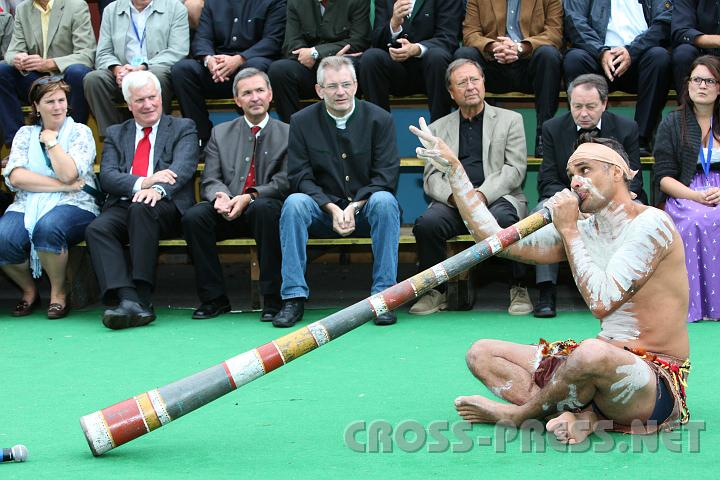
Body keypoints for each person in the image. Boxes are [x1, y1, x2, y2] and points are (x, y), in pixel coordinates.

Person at [411, 121, 691, 442]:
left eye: (585, 170)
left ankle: (522, 415)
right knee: (481, 354)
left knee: (590, 353)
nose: (575, 182)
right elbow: (496, 240)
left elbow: (602, 302)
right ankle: (580, 414)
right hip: (596, 371)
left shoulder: (651, 224)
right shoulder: (584, 229)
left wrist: (569, 230)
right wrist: (456, 173)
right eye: (571, 174)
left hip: (651, 382)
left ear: (617, 173)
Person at [272, 56, 401, 328]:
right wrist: (330, 207)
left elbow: (386, 175)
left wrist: (354, 206)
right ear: (319, 90)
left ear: (356, 85)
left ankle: (384, 297)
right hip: (322, 211)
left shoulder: (381, 119)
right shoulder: (301, 121)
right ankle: (293, 297)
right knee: (294, 203)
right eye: (332, 86)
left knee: (385, 201)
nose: (340, 92)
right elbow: (299, 176)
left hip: (365, 209)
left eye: (345, 84)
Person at [410, 59, 532, 316]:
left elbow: (515, 169)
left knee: (505, 221)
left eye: (475, 80)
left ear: (484, 83)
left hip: (497, 196)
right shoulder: (437, 128)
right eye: (462, 83)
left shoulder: (511, 120)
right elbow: (431, 178)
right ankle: (435, 291)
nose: (470, 87)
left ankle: (519, 287)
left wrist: (480, 195)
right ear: (451, 93)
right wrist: (458, 198)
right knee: (427, 225)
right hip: (454, 201)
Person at [84, 71, 199, 330]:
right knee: (97, 228)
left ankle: (143, 297)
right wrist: (144, 182)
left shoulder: (183, 127)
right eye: (140, 100)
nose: (147, 105)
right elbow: (109, 177)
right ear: (129, 104)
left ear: (161, 97)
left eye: (152, 97)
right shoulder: (116, 133)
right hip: (125, 202)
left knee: (141, 208)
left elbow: (183, 168)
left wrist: (156, 189)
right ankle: (128, 298)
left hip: (166, 206)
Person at [533, 73, 645, 317]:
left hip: (611, 198)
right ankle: (545, 290)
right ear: (569, 104)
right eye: (577, 106)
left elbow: (634, 180)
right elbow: (548, 180)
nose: (583, 113)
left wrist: (601, 203)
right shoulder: (552, 128)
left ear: (604, 104)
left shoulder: (627, 128)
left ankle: (631, 289)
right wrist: (576, 205)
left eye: (591, 107)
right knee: (542, 209)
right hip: (570, 197)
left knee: (640, 212)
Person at [182, 68, 289, 321]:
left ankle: (273, 300)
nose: (255, 98)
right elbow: (210, 178)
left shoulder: (289, 133)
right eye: (247, 93)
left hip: (263, 211)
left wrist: (251, 196)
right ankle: (214, 299)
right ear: (237, 101)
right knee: (194, 217)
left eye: (260, 91)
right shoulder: (220, 133)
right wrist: (220, 196)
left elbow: (286, 180)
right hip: (227, 208)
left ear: (270, 95)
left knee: (265, 210)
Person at [0, 77, 99, 318]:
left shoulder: (80, 132)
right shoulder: (24, 134)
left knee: (48, 227)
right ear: (36, 106)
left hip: (76, 203)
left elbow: (69, 173)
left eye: (61, 100)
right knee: (3, 238)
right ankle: (29, 290)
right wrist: (63, 187)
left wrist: (52, 142)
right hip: (28, 202)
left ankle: (58, 293)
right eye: (50, 101)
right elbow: (17, 178)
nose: (57, 107)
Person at [654, 55, 720, 323]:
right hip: (685, 191)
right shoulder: (672, 122)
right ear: (688, 85)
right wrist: (694, 196)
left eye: (709, 80)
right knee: (695, 220)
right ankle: (694, 305)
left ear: (719, 87)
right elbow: (663, 177)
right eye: (696, 80)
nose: (702, 86)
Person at [454, 0, 563, 157]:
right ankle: (469, 135)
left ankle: (544, 136)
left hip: (530, 66)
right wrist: (494, 47)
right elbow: (470, 34)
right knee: (464, 56)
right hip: (493, 65)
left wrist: (520, 47)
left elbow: (555, 34)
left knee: (549, 55)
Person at [563, 0, 672, 156]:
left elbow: (664, 21)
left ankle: (641, 138)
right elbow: (574, 21)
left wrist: (632, 51)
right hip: (598, 58)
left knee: (659, 57)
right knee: (574, 59)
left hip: (639, 57)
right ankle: (589, 136)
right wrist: (601, 52)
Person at [171, 0, 286, 147]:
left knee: (252, 71)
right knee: (182, 70)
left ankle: (255, 137)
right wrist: (208, 59)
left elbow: (272, 41)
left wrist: (240, 59)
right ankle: (201, 138)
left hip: (252, 61)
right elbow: (202, 37)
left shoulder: (273, 2)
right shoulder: (213, 2)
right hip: (218, 69)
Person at [83, 0, 189, 137]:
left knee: (157, 76)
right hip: (122, 71)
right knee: (93, 79)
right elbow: (103, 52)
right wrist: (117, 69)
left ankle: (157, 136)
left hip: (154, 67)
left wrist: (142, 67)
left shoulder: (175, 7)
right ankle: (113, 138)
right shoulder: (112, 9)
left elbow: (178, 50)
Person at [1, 0, 96, 148]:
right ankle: (17, 144)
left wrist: (49, 63)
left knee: (78, 71)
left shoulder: (76, 5)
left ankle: (73, 140)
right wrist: (17, 59)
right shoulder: (23, 9)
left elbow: (86, 54)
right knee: (3, 69)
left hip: (66, 77)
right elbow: (12, 51)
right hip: (37, 80)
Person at [358, 0, 462, 123]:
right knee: (371, 58)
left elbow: (448, 38)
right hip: (396, 71)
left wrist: (417, 49)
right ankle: (379, 131)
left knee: (437, 57)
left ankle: (439, 132)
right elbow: (377, 42)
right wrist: (393, 25)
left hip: (432, 72)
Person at [267, 0, 370, 123]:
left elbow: (359, 41)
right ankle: (294, 130)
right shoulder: (296, 2)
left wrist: (316, 53)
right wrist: (309, 55)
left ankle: (353, 125)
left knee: (351, 64)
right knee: (279, 70)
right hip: (310, 69)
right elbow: (291, 42)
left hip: (341, 66)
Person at [671, 0, 720, 97]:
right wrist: (717, 40)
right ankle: (687, 109)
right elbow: (681, 31)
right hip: (701, 52)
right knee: (683, 54)